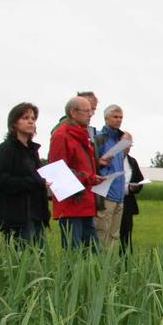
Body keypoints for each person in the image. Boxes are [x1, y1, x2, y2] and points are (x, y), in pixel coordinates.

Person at [0, 103, 50, 245]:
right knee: (21, 261)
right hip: (17, 217)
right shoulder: (5, 149)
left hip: (37, 215)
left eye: (33, 118)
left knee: (39, 261)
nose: (31, 121)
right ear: (14, 123)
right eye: (25, 118)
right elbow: (1, 181)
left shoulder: (33, 151)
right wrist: (35, 182)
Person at [49, 96, 101, 249]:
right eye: (87, 111)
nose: (90, 114)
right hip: (71, 206)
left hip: (86, 203)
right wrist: (88, 178)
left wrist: (92, 178)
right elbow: (58, 171)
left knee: (93, 253)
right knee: (74, 254)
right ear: (73, 112)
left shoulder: (83, 135)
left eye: (91, 111)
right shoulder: (61, 136)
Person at [94, 104, 132, 249]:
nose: (118, 120)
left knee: (115, 235)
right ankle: (99, 266)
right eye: (115, 117)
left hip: (119, 194)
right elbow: (93, 165)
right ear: (106, 118)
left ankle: (111, 265)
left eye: (121, 117)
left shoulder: (120, 140)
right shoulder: (99, 139)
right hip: (105, 193)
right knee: (102, 232)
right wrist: (100, 163)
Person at [119, 149, 145, 253]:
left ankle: (125, 258)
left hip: (128, 201)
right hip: (112, 199)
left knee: (126, 232)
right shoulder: (112, 160)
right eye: (126, 145)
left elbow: (139, 180)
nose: (128, 148)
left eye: (130, 145)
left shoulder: (132, 161)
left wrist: (136, 187)